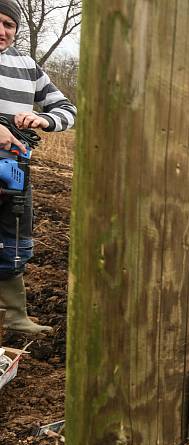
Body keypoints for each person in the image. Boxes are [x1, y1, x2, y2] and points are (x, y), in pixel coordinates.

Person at [0, 0, 76, 335]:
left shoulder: (26, 65)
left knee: (13, 241)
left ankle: (15, 317)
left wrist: (42, 118)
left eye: (9, 24)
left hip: (13, 172)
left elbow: (66, 107)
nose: (2, 31)